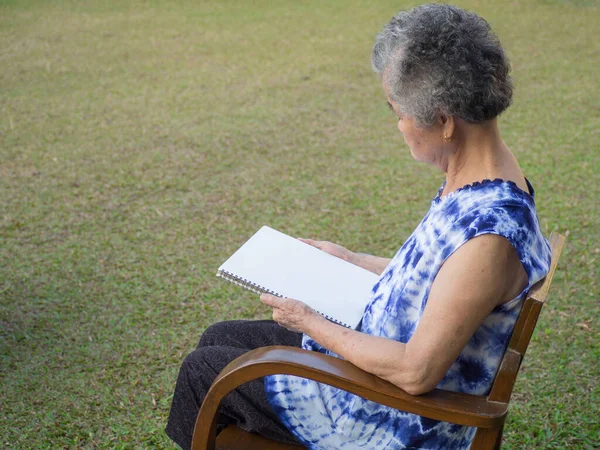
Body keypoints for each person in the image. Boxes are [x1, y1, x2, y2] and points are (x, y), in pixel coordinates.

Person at [166, 4, 552, 449]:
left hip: (391, 418)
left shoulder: (490, 237)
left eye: (398, 112)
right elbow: (446, 283)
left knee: (204, 372)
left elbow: (415, 370)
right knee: (219, 338)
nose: (399, 125)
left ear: (445, 121)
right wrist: (350, 259)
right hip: (377, 366)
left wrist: (308, 320)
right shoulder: (487, 176)